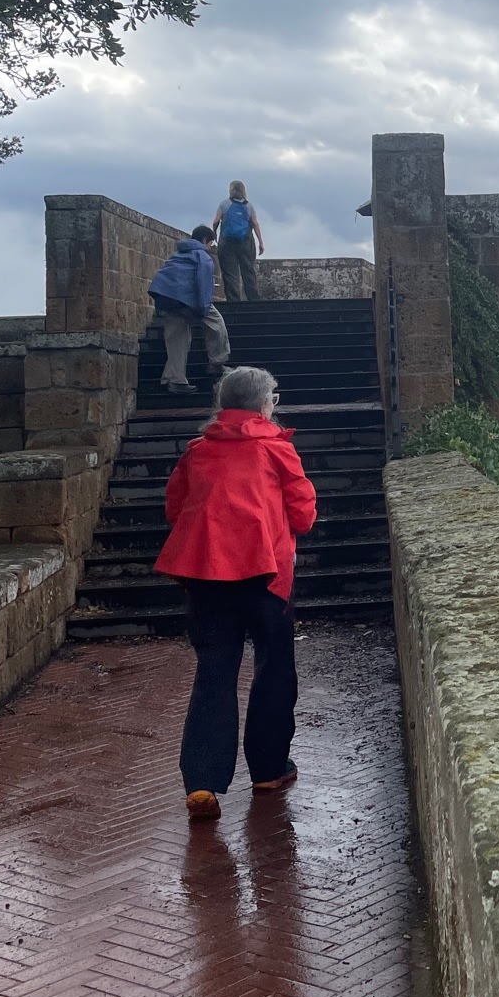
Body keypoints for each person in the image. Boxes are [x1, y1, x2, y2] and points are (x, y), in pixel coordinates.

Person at [154, 366, 317, 820]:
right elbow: (303, 515)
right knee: (274, 666)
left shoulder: (198, 452)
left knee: (214, 671)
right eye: (273, 398)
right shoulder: (277, 450)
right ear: (264, 404)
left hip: (207, 574)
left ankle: (202, 782)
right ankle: (267, 769)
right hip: (265, 575)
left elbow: (175, 507)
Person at [148, 226, 231, 393]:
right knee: (217, 325)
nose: (210, 247)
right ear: (205, 240)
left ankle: (173, 379)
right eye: (210, 243)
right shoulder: (203, 256)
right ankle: (216, 363)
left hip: (166, 297)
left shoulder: (178, 254)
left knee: (176, 338)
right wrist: (202, 309)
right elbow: (203, 283)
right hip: (187, 297)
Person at [214, 180, 265, 302]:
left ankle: (233, 301)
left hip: (227, 243)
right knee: (248, 270)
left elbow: (216, 221)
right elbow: (255, 224)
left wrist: (214, 235)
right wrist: (260, 242)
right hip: (245, 242)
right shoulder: (249, 206)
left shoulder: (224, 204)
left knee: (230, 273)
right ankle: (253, 299)